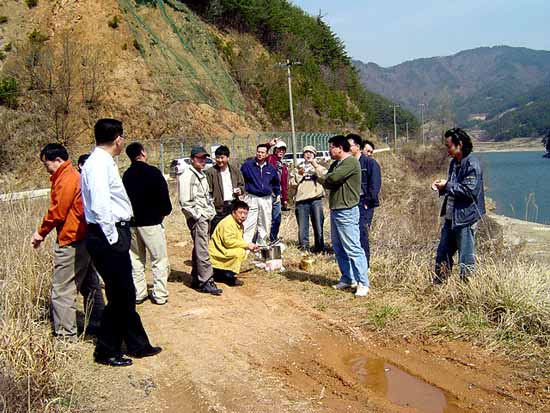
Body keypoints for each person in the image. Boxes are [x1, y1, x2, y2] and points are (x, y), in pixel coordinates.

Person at [81, 118, 161, 367]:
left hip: (113, 232)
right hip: (107, 235)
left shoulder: (104, 161)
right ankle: (106, 350)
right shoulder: (97, 164)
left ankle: (137, 344)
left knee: (123, 293)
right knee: (121, 294)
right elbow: (101, 205)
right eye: (122, 136)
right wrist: (114, 238)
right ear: (117, 138)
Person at [31, 143, 104, 340]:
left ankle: (66, 336)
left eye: (47, 164)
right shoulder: (73, 175)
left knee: (62, 290)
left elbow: (57, 211)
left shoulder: (66, 178)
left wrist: (40, 232)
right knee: (90, 285)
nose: (47, 169)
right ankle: (99, 323)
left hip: (72, 240)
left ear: (58, 160)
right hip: (84, 237)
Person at [313, 135, 369, 297]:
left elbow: (333, 179)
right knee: (338, 247)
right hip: (336, 209)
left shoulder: (351, 162)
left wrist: (322, 177)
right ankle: (347, 278)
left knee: (352, 247)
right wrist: (325, 178)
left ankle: (363, 282)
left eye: (331, 147)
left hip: (347, 211)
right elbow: (329, 181)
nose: (329, 150)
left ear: (339, 148)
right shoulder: (336, 163)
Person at [432, 128, 486, 283]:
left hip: (465, 218)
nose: (447, 149)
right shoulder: (454, 163)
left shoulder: (472, 164)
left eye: (449, 146)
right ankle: (439, 284)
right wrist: (442, 187)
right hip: (451, 218)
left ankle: (466, 289)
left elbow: (470, 191)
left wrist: (447, 186)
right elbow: (454, 187)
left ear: (459, 145)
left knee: (466, 257)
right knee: (443, 253)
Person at [122, 142, 172, 305]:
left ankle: (139, 292)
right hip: (151, 223)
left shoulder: (126, 175)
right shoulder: (153, 172)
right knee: (158, 259)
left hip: (132, 223)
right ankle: (160, 294)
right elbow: (165, 200)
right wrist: (162, 214)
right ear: (143, 153)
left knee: (136, 259)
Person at [178, 146, 221, 295]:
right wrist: (198, 215)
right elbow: (185, 201)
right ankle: (206, 281)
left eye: (204, 158)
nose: (203, 161)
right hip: (198, 217)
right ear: (192, 159)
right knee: (202, 249)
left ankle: (197, 277)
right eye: (199, 158)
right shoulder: (187, 175)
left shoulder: (199, 174)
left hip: (204, 215)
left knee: (199, 246)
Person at [347, 134, 382, 264]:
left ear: (357, 147)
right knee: (352, 233)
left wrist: (368, 201)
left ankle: (365, 264)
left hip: (364, 203)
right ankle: (354, 262)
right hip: (351, 202)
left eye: (349, 145)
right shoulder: (348, 163)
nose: (347, 148)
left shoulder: (370, 163)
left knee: (362, 233)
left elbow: (375, 185)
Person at [208, 200, 259, 286]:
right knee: (239, 252)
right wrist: (247, 245)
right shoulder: (228, 223)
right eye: (240, 213)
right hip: (218, 251)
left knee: (242, 250)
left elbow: (238, 240)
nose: (243, 216)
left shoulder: (238, 224)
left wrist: (251, 247)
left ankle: (221, 273)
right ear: (234, 212)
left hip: (223, 249)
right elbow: (228, 242)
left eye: (245, 214)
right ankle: (228, 276)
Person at [240, 144, 280, 245]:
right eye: (258, 152)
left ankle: (261, 246)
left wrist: (278, 195)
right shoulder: (248, 166)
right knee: (248, 223)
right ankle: (246, 246)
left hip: (266, 199)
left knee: (265, 223)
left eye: (262, 152)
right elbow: (240, 178)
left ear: (267, 154)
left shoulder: (271, 168)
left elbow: (276, 183)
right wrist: (241, 191)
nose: (260, 154)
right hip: (252, 198)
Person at [289, 145, 326, 253]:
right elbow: (292, 184)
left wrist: (314, 166)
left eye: (311, 152)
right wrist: (300, 175)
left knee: (318, 225)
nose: (308, 154)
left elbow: (325, 177)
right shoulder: (298, 168)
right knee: (303, 227)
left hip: (316, 199)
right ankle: (304, 248)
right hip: (301, 201)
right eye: (306, 152)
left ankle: (319, 248)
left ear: (314, 155)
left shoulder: (319, 167)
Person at [206, 145, 245, 235]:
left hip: (233, 206)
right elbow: (208, 191)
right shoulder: (210, 172)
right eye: (217, 158)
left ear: (228, 158)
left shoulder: (235, 170)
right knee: (216, 232)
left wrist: (240, 190)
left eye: (222, 157)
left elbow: (242, 185)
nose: (220, 160)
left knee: (233, 232)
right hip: (219, 208)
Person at [266, 138, 289, 242]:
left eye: (283, 150)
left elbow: (284, 184)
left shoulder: (283, 166)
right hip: (268, 193)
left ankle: (273, 239)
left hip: (277, 195)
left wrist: (285, 198)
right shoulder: (270, 159)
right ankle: (261, 240)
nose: (281, 151)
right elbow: (262, 152)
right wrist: (269, 144)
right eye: (279, 149)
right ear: (274, 150)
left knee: (277, 218)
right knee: (265, 218)